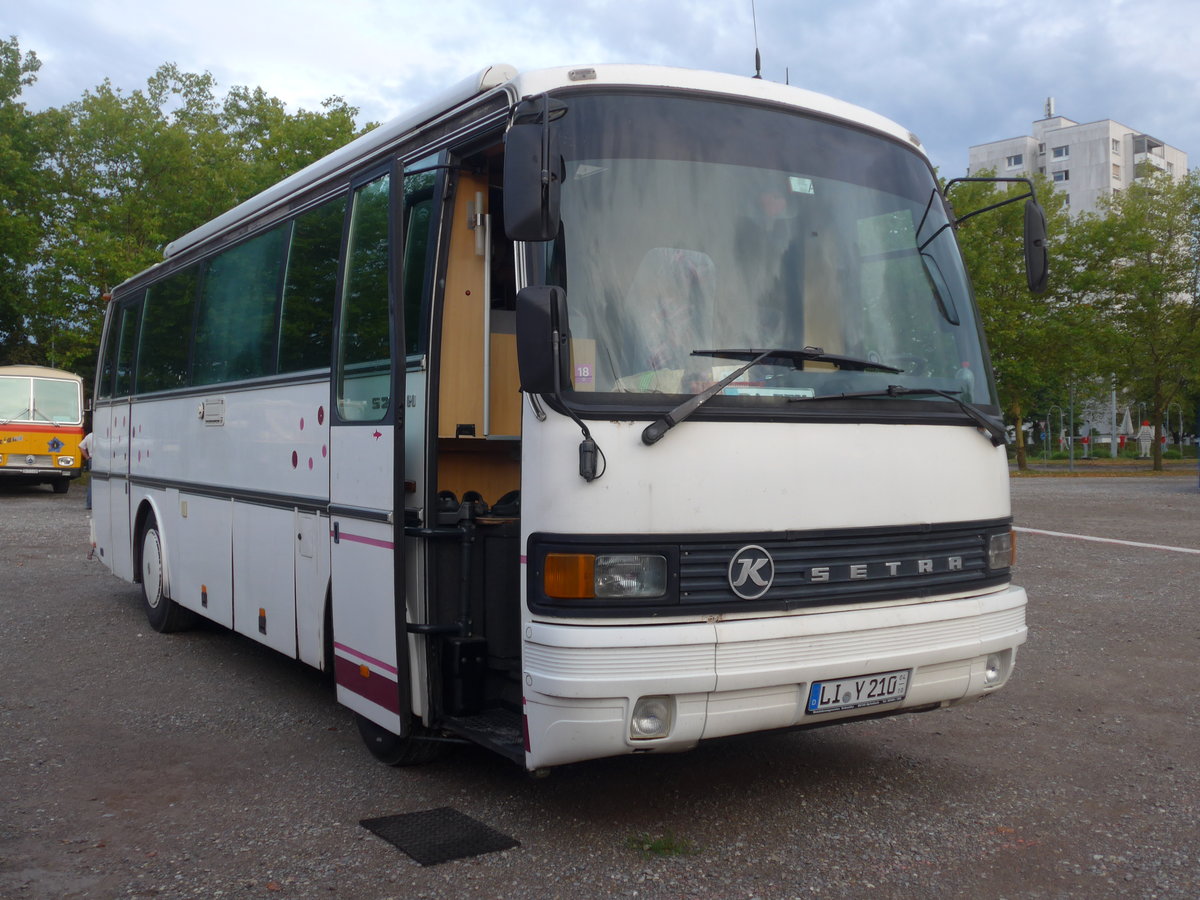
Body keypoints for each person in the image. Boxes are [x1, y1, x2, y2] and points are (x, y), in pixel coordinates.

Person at [78, 432, 93, 510]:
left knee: (91, 483)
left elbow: (80, 446)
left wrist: (87, 457)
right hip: (102, 460)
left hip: (91, 459)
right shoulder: (104, 436)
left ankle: (89, 504)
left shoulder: (89, 436)